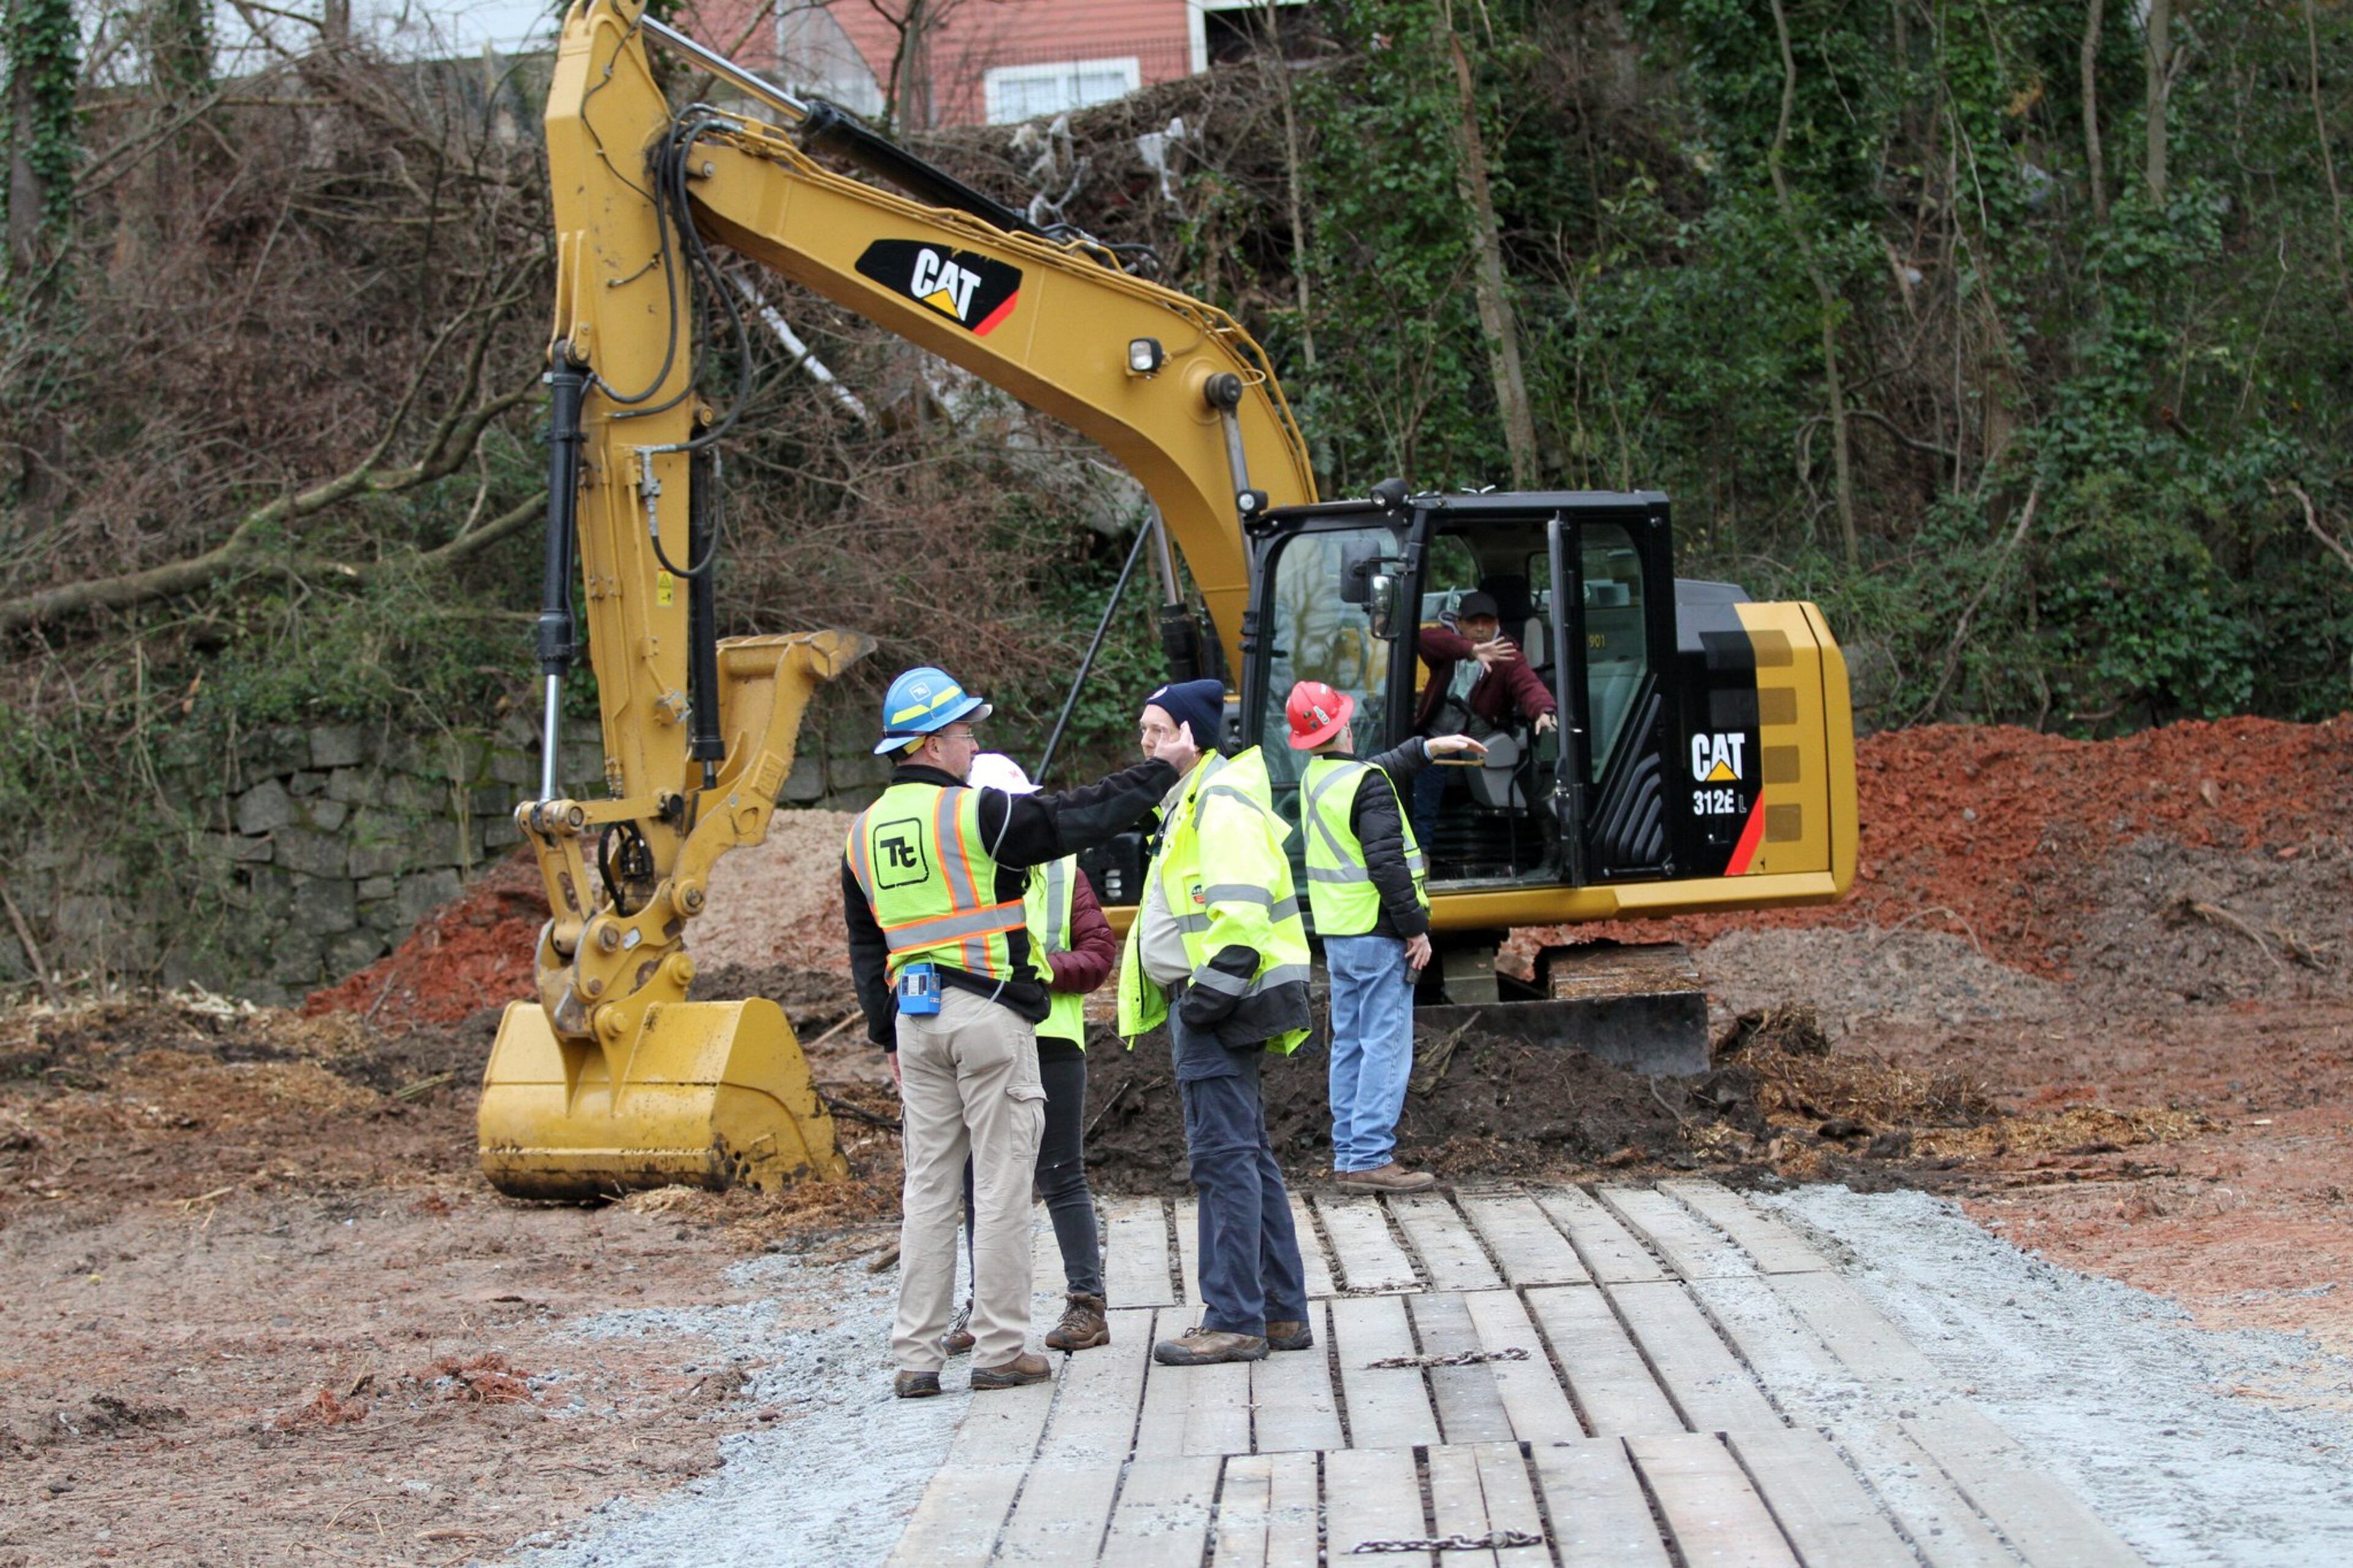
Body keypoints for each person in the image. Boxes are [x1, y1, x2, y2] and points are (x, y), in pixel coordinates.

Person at [844, 667, 1175, 1399]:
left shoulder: (862, 833)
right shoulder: (975, 815)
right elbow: (1077, 816)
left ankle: (916, 1360)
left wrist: (888, 1040)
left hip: (917, 1021)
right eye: (963, 732)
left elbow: (867, 951)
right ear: (931, 743)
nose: (971, 743)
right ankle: (1000, 1349)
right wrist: (1160, 772)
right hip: (989, 1014)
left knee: (929, 1190)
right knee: (999, 1184)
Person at [1116, 677, 1315, 1367]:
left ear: (1192, 736)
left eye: (1158, 730)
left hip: (1218, 1006)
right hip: (1223, 1001)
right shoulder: (1198, 801)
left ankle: (1234, 1317)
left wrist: (1203, 1002)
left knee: (1224, 1161)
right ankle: (1280, 1312)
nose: (1146, 742)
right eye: (1144, 730)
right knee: (1248, 1156)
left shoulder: (1219, 803)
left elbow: (1239, 917)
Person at [935, 752, 1118, 1358]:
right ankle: (984, 1307)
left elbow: (1097, 953)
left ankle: (1086, 1305)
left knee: (1060, 1171)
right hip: (981, 1041)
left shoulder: (1063, 870)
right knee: (975, 1177)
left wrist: (1036, 974)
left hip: (1051, 1039)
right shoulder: (957, 876)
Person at [1284, 680, 1485, 1192]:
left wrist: (1430, 747)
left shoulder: (1318, 777)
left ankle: (1352, 1155)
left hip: (1339, 936)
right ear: (1345, 725)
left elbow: (1377, 771)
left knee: (1350, 1044)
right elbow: (1387, 864)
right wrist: (1416, 928)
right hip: (1379, 934)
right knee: (1386, 1046)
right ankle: (1372, 1156)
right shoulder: (1365, 783)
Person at [1409, 589, 1558, 838]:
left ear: (1497, 624)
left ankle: (1421, 849)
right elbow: (1424, 639)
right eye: (1472, 623)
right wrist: (1470, 650)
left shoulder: (1507, 654)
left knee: (1429, 763)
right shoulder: (1448, 646)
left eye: (1487, 622)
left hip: (1473, 736)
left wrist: (1544, 710)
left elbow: (1528, 685)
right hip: (1433, 730)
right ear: (1459, 624)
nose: (1480, 629)